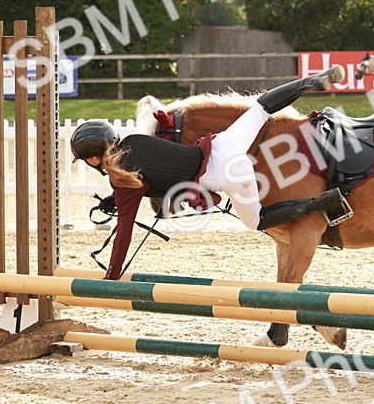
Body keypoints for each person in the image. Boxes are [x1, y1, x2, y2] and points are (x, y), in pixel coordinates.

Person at [71, 67, 347, 280]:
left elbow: (125, 231)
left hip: (229, 173)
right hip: (224, 143)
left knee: (258, 221)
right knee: (261, 108)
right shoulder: (134, 140)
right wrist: (114, 199)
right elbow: (156, 168)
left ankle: (319, 203)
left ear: (94, 158)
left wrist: (112, 274)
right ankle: (309, 82)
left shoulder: (125, 184)